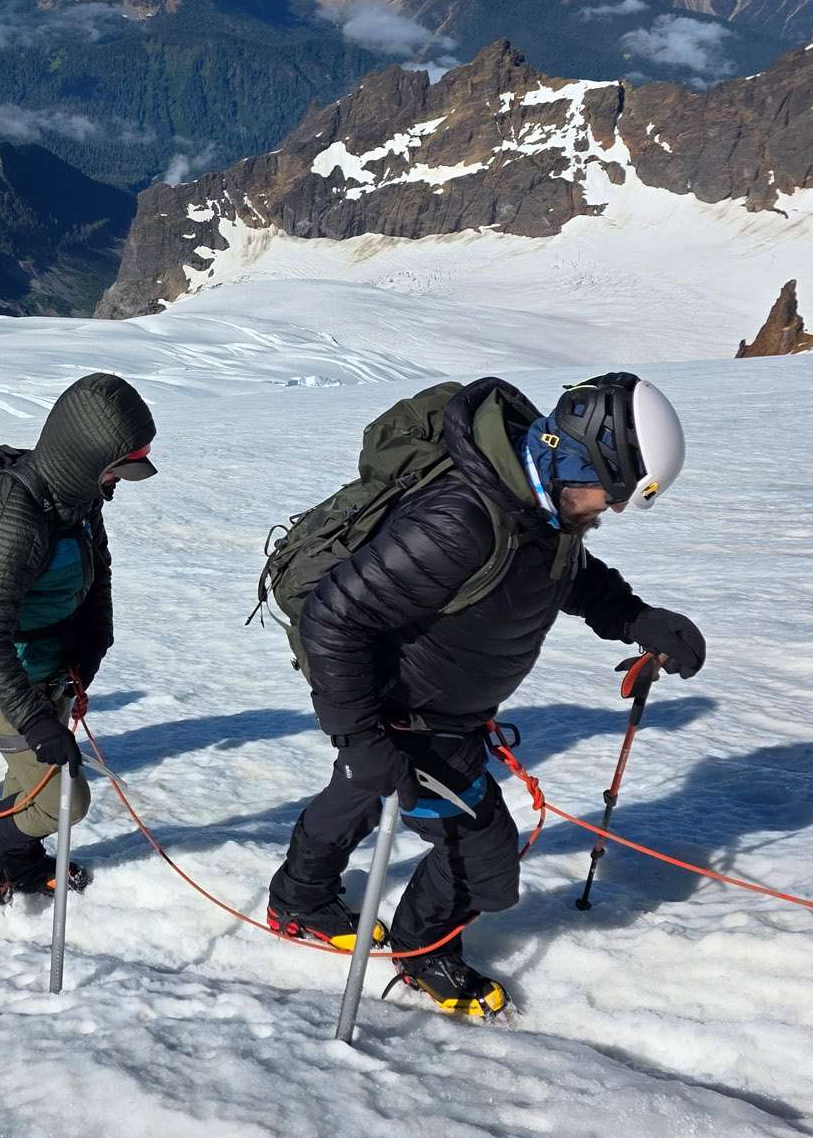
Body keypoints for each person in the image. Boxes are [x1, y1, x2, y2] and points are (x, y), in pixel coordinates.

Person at [266, 373, 704, 1016]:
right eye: (611, 494)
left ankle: (299, 898)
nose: (612, 510)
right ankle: (423, 951)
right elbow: (333, 619)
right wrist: (360, 735)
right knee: (482, 855)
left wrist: (636, 618)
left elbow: (565, 573)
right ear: (578, 461)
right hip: (410, 713)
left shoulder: (540, 505)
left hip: (441, 706)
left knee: (361, 790)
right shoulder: (461, 522)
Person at [0, 373, 158, 904]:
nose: (118, 482)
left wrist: (92, 646)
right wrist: (35, 720)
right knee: (64, 800)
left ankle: (16, 857)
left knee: (32, 778)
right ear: (84, 457)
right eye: (115, 470)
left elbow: (98, 573)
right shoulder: (13, 515)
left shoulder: (79, 498)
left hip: (49, 658)